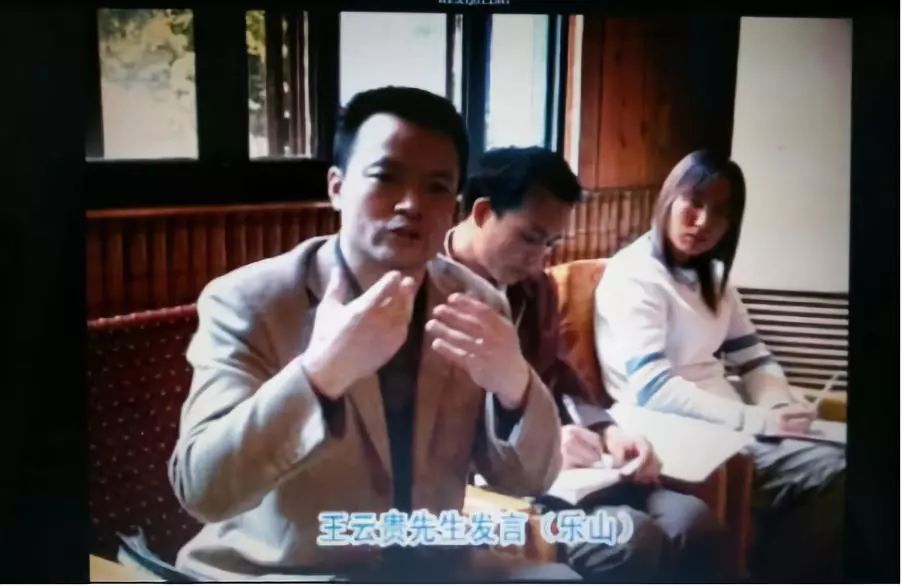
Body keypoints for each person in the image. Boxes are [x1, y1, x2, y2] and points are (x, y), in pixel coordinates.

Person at [167, 87, 574, 581]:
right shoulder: (250, 302)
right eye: (385, 177)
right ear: (337, 187)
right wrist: (320, 374)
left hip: (429, 563)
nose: (412, 204)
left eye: (437, 187)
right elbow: (202, 489)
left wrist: (516, 389)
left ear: (455, 206)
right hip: (292, 571)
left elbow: (529, 479)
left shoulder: (477, 302)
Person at [444, 146, 729, 582]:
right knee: (631, 537)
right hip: (487, 489)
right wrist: (541, 441)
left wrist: (608, 431)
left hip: (565, 475)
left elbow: (558, 375)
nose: (540, 259)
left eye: (551, 244)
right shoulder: (428, 291)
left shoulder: (534, 289)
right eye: (529, 238)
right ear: (482, 213)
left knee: (692, 520)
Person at [594, 149, 846, 581]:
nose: (703, 222)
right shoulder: (633, 275)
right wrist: (757, 420)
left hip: (729, 427)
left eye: (721, 213)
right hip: (673, 432)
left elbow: (755, 357)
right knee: (838, 471)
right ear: (668, 198)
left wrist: (778, 405)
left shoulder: (713, 277)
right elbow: (654, 390)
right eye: (694, 202)